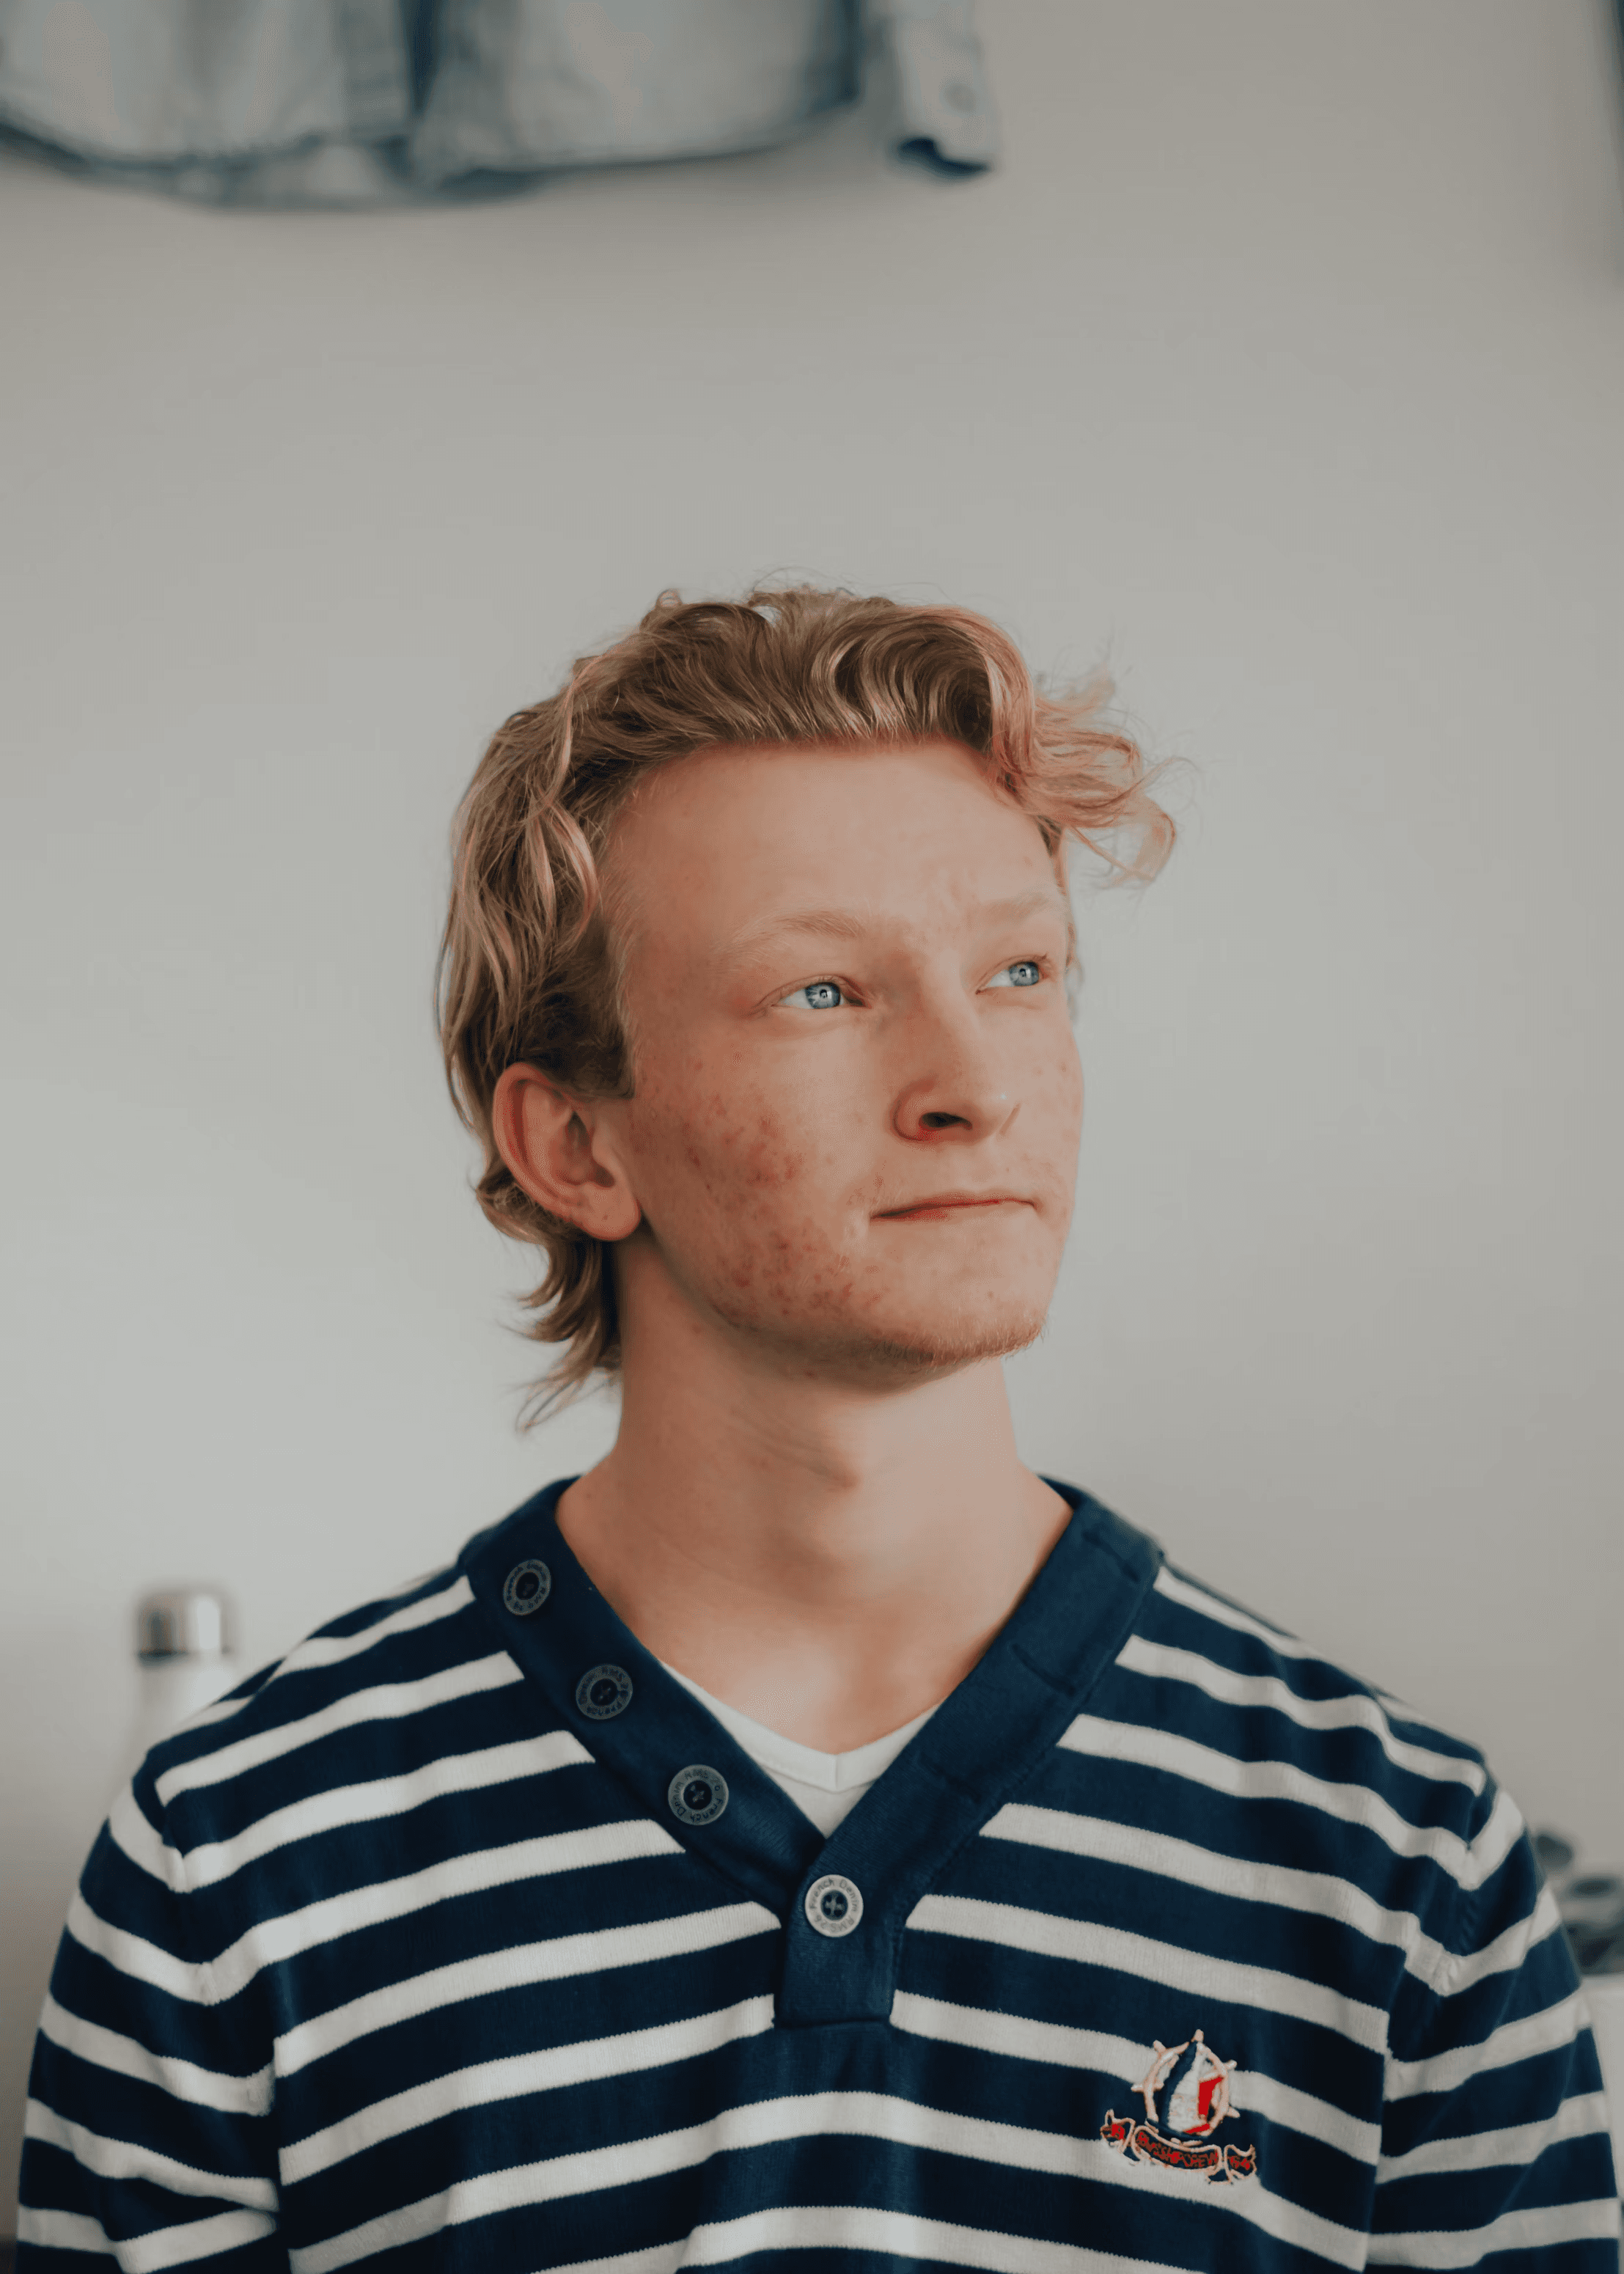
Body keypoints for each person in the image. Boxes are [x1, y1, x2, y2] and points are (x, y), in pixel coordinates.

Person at [18, 587, 1619, 2270]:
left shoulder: (1400, 1858)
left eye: (1021, 969)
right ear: (574, 1143)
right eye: (824, 993)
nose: (975, 1078)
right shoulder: (236, 1867)